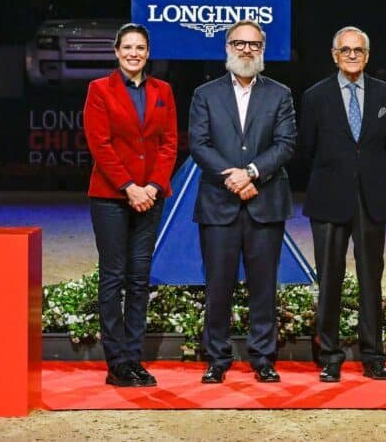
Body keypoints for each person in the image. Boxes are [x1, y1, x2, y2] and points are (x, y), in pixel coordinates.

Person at [189, 20, 296, 384]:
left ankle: (263, 358)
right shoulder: (205, 94)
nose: (246, 50)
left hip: (265, 204)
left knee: (263, 286)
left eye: (253, 44)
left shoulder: (280, 94)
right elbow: (199, 145)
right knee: (218, 284)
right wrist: (233, 178)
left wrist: (250, 172)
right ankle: (217, 358)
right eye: (239, 43)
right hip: (219, 204)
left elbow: (285, 144)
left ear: (263, 49)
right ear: (227, 48)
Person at [299, 27, 386, 382]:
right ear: (334, 55)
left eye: (359, 50)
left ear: (368, 56)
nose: (353, 55)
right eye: (346, 50)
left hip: (371, 200)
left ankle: (373, 355)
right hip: (328, 199)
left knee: (371, 279)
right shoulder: (315, 96)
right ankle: (330, 354)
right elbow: (305, 149)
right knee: (330, 280)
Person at [83, 23, 177, 387]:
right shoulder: (99, 90)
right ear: (117, 51)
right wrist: (129, 187)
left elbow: (169, 143)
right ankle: (117, 362)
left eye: (140, 47)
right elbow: (100, 144)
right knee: (113, 277)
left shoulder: (162, 91)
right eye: (127, 47)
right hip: (111, 198)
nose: (134, 53)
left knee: (139, 279)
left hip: (151, 197)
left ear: (148, 52)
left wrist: (152, 186)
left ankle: (134, 358)